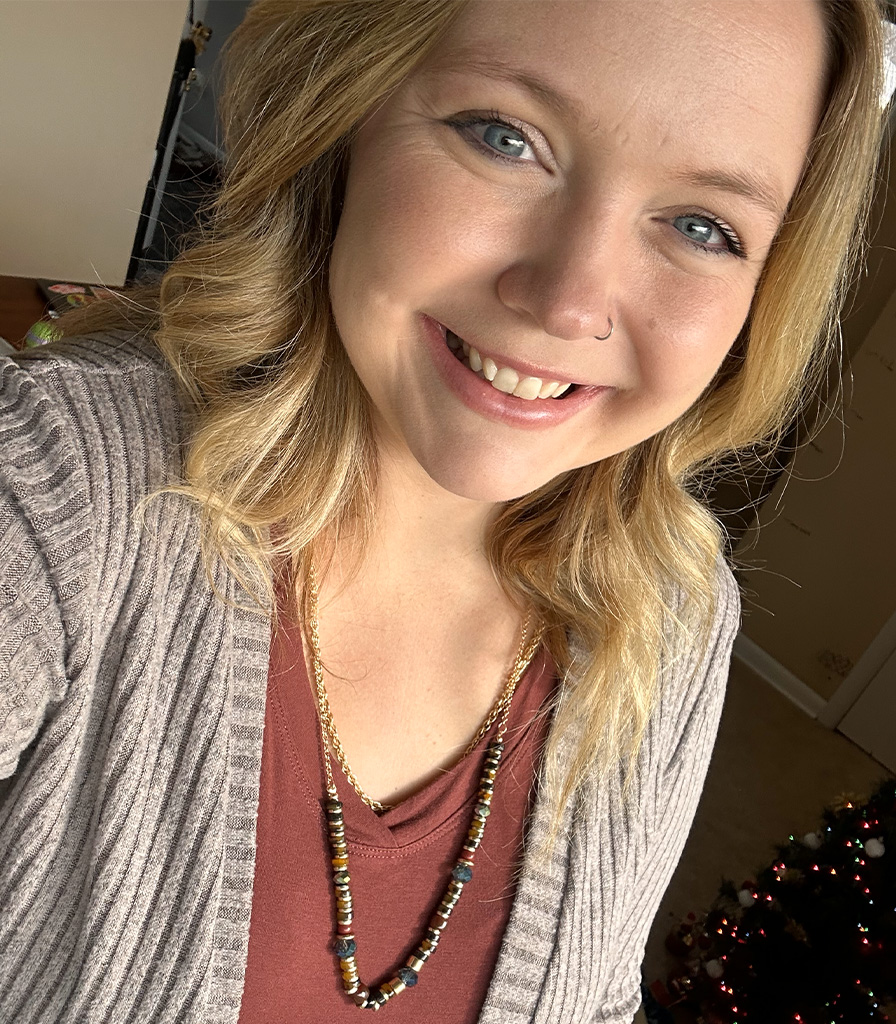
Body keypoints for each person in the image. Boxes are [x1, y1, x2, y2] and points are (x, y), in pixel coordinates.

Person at [0, 1, 887, 1022]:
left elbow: (595, 1001)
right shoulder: (51, 491)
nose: (566, 300)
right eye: (504, 137)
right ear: (348, 111)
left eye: (701, 226)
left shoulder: (676, 615)